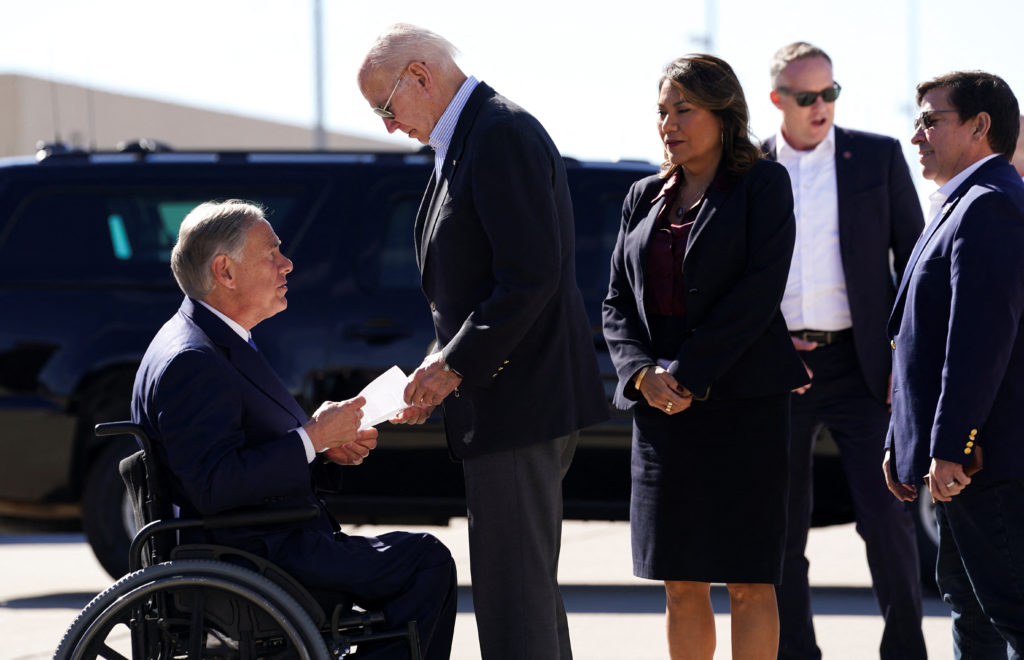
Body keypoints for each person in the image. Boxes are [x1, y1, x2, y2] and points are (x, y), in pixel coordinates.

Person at [356, 24, 609, 660]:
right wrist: (438, 363)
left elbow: (531, 277)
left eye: (386, 108)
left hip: (518, 406)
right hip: (503, 403)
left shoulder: (499, 133)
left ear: (419, 75)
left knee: (513, 605)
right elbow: (473, 286)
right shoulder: (466, 139)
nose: (387, 126)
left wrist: (455, 367)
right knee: (522, 595)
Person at [132, 199, 457, 660]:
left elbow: (241, 449)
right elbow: (214, 483)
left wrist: (321, 446)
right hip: (253, 552)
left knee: (416, 561)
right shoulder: (193, 359)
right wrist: (312, 438)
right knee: (425, 561)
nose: (287, 264)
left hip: (264, 541)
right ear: (225, 271)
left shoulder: (213, 341)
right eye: (272, 253)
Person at [602, 54, 808, 660]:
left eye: (684, 110)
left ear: (724, 114)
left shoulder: (763, 184)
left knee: (748, 580)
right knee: (680, 581)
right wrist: (641, 374)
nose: (669, 124)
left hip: (744, 407)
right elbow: (615, 301)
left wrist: (687, 374)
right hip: (660, 411)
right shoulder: (642, 195)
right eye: (663, 112)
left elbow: (759, 292)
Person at [760, 42, 927, 660]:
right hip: (780, 370)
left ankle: (906, 649)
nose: (822, 106)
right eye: (808, 97)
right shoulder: (750, 165)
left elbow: (914, 263)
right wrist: (770, 347)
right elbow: (732, 277)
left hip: (864, 367)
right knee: (783, 528)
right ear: (778, 100)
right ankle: (796, 651)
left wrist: (900, 357)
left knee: (887, 518)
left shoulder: (875, 158)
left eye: (831, 93)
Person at [885, 71, 1024, 658]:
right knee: (973, 613)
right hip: (962, 461)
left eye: (930, 121)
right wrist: (905, 440)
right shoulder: (959, 203)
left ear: (979, 126)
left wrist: (952, 445)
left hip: (986, 463)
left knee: (1009, 609)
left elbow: (978, 342)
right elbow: (917, 341)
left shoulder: (989, 206)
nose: (916, 135)